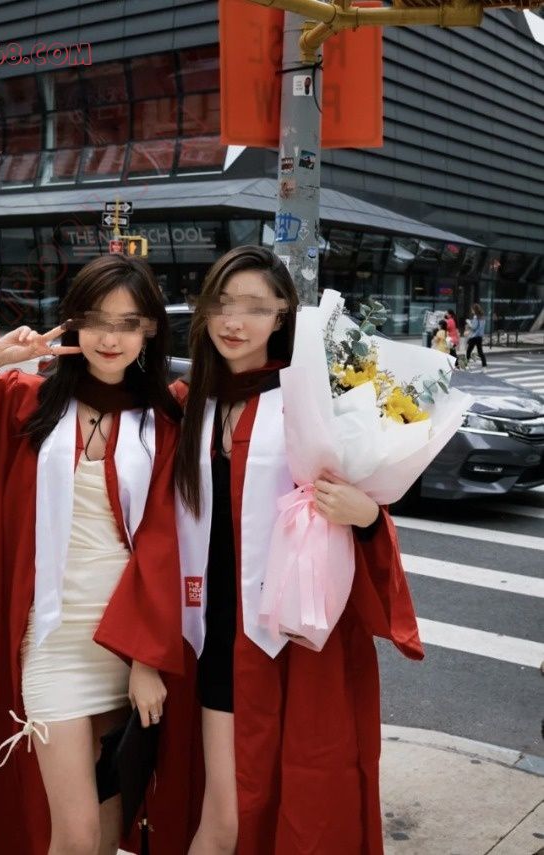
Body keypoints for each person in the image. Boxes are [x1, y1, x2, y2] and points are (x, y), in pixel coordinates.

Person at [129, 246, 424, 855]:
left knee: (296, 803)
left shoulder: (314, 401)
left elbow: (367, 514)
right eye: (222, 304)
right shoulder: (187, 404)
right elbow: (151, 526)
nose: (234, 321)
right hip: (215, 634)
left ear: (283, 315)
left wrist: (367, 516)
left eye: (255, 308)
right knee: (226, 819)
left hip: (297, 638)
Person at [0, 255, 183, 855]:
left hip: (126, 644)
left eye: (128, 323)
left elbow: (165, 547)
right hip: (52, 645)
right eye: (96, 320)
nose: (110, 338)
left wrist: (148, 659)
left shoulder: (164, 419)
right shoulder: (28, 402)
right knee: (73, 834)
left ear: (149, 331)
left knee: (107, 831)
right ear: (73, 322)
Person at [466, 303, 488, 368]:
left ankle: (466, 364)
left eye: (472, 309)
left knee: (468, 350)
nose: (471, 311)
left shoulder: (475, 317)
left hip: (474, 336)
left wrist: (469, 323)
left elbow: (474, 327)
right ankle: (484, 365)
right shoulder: (482, 317)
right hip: (480, 336)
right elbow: (481, 327)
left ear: (474, 310)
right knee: (480, 351)